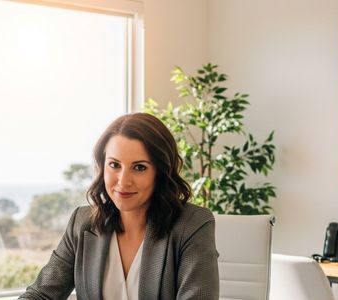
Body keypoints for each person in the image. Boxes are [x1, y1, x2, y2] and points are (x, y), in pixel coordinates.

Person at [19, 113, 219, 300]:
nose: (123, 181)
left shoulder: (192, 225)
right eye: (114, 165)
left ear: (160, 172)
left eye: (139, 167)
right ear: (102, 166)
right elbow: (41, 294)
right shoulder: (82, 222)